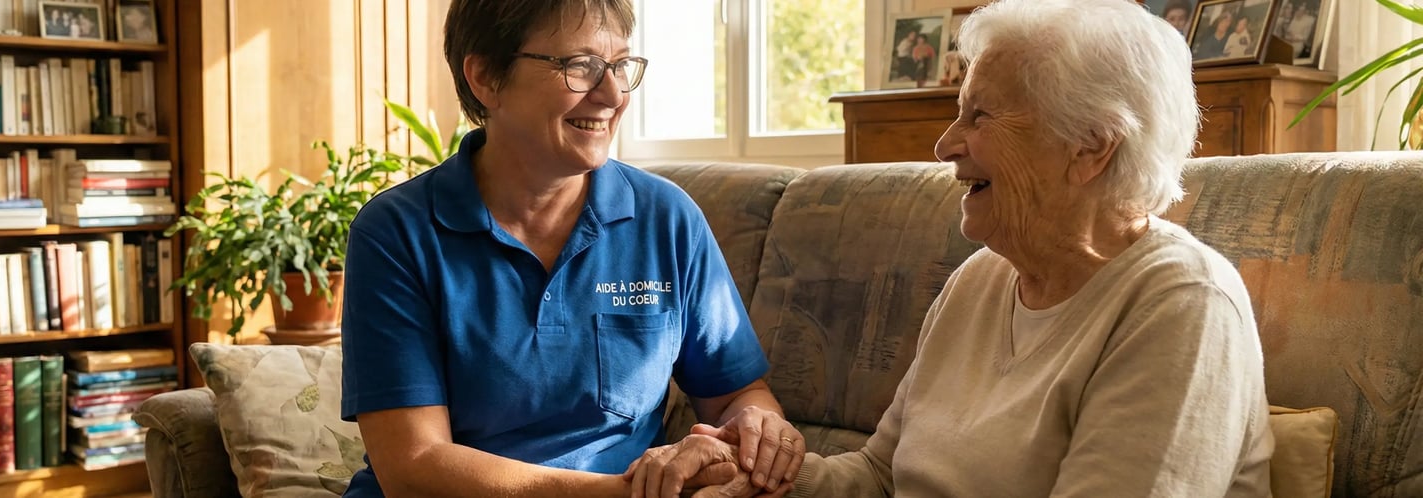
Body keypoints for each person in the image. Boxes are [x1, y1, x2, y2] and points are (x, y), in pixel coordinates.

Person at [628, 0, 1274, 496]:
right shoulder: (982, 278)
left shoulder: (1183, 305)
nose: (945, 144)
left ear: (1091, 147)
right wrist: (749, 475)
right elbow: (881, 476)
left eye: (981, 117)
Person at [339, 1, 805, 497]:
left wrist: (756, 428)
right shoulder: (396, 232)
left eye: (621, 65)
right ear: (485, 78)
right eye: (579, 66)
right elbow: (413, 468)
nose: (612, 94)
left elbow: (734, 393)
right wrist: (627, 494)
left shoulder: (667, 219)